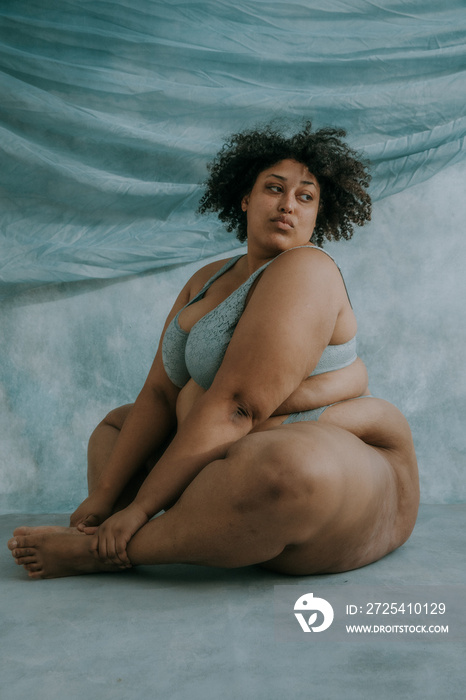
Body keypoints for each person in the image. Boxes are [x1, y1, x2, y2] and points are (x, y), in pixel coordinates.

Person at [8, 122, 419, 579]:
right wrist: (104, 497)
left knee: (280, 469)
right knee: (115, 429)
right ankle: (192, 528)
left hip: (339, 471)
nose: (287, 205)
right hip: (236, 447)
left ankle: (112, 550)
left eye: (305, 197)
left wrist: (140, 507)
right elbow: (161, 394)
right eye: (274, 189)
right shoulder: (206, 280)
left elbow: (239, 407)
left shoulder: (308, 269)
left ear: (318, 214)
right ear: (245, 197)